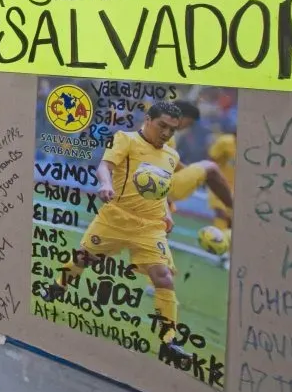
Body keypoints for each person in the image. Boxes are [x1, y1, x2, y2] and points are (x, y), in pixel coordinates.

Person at [43, 102, 188, 360]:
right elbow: (104, 166)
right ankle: (58, 286)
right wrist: (106, 184)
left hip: (150, 227)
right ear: (147, 119)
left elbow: (161, 189)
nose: (166, 133)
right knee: (83, 259)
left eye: (172, 130)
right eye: (162, 126)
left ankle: (169, 341)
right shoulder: (125, 140)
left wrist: (166, 212)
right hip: (116, 218)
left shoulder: (171, 156)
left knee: (163, 277)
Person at [165, 101, 235, 228]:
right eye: (189, 123)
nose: (188, 127)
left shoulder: (159, 130)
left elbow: (170, 162)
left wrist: (190, 171)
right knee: (211, 168)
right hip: (164, 185)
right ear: (182, 117)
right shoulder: (166, 134)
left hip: (157, 186)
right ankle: (235, 210)